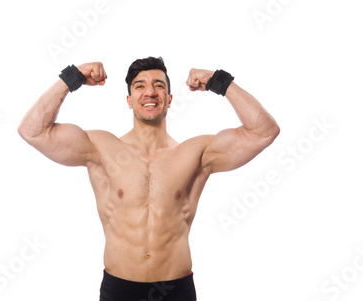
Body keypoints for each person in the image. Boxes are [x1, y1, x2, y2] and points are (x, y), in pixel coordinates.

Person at [18, 57, 279, 300]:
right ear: (130, 100)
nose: (150, 92)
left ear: (169, 98)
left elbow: (263, 133)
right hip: (119, 288)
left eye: (159, 86)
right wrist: (72, 77)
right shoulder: (100, 148)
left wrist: (218, 81)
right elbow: (33, 131)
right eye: (139, 86)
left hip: (174, 289)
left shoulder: (195, 153)